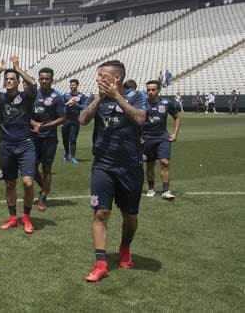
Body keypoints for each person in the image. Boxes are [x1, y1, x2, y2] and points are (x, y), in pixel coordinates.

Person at [79, 60, 147, 282]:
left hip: (130, 166)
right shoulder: (96, 98)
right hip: (103, 165)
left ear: (116, 78)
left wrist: (117, 97)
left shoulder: (136, 96)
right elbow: (82, 120)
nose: (98, 79)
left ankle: (125, 247)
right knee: (101, 213)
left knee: (130, 216)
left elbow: (139, 118)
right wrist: (100, 97)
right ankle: (101, 263)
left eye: (102, 76)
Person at [0, 56, 37, 233]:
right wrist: (0, 70)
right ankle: (13, 217)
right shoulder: (0, 98)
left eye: (12, 79)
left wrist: (17, 68)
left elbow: (34, 84)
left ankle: (26, 217)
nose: (8, 81)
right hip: (6, 146)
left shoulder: (26, 97)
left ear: (18, 82)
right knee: (10, 184)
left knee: (28, 182)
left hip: (25, 144)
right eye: (6, 79)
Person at [31, 68, 66, 211]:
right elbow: (25, 112)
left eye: (47, 78)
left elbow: (62, 118)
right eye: (42, 78)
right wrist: (34, 123)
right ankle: (44, 188)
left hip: (49, 138)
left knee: (47, 168)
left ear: (52, 80)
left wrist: (45, 126)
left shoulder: (57, 97)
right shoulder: (33, 94)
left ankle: (43, 197)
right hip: (33, 136)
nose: (44, 81)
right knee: (32, 167)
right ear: (39, 79)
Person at [143, 81, 182, 200]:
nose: (150, 92)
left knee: (165, 162)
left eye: (153, 90)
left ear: (159, 90)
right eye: (148, 90)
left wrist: (175, 133)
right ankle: (151, 188)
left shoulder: (167, 103)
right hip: (147, 139)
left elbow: (177, 117)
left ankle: (166, 190)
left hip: (162, 137)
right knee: (150, 164)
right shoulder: (142, 104)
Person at [62, 79, 88, 164]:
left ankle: (73, 157)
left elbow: (84, 107)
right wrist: (68, 103)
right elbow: (61, 106)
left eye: (73, 85)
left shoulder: (81, 96)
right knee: (65, 138)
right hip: (65, 120)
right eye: (71, 85)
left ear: (77, 85)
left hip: (75, 120)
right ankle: (66, 153)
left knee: (73, 139)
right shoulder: (65, 95)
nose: (71, 86)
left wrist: (76, 105)